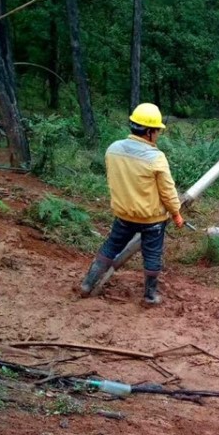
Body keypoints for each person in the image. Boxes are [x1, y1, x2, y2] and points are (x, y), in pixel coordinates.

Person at [79, 103, 184, 306]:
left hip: (124, 215)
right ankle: (150, 296)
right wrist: (176, 214)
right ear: (150, 131)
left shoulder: (113, 150)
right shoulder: (156, 157)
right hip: (151, 219)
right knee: (152, 254)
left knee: (110, 247)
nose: (159, 135)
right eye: (158, 131)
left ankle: (87, 283)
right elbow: (168, 192)